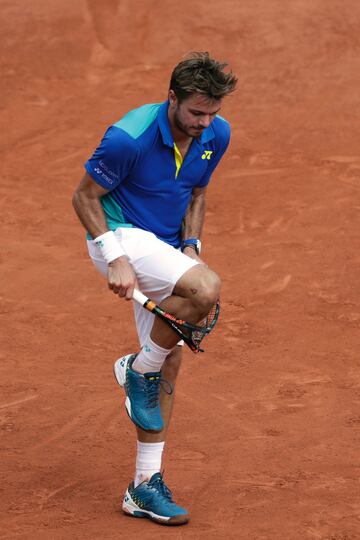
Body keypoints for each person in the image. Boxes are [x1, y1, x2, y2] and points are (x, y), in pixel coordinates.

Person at [72, 51, 237, 526]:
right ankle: (135, 368)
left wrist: (190, 244)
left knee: (171, 351)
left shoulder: (215, 134)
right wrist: (115, 255)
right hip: (119, 235)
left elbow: (197, 192)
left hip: (163, 243)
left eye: (213, 113)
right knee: (205, 289)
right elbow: (84, 195)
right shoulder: (129, 137)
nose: (205, 123)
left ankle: (144, 486)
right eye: (195, 113)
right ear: (172, 99)